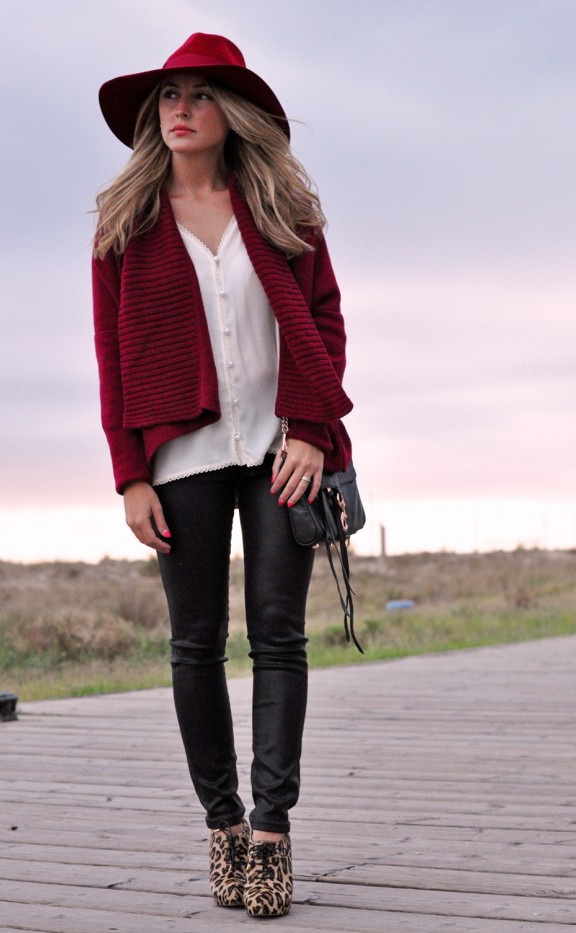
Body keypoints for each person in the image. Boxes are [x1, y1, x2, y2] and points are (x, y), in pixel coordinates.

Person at [92, 32, 353, 919]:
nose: (180, 109)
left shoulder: (283, 211)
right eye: (169, 95)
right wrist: (130, 473)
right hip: (180, 461)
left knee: (279, 637)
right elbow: (111, 360)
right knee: (195, 644)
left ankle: (272, 832)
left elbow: (325, 322)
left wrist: (312, 430)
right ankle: (225, 826)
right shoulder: (125, 227)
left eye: (200, 94)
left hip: (284, 451)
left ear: (231, 112)